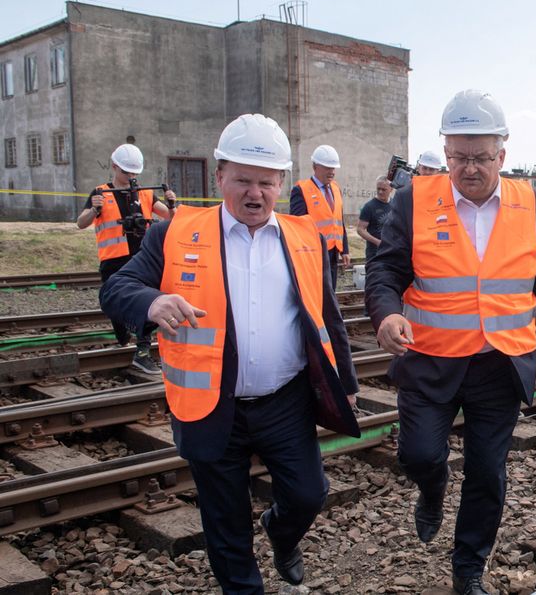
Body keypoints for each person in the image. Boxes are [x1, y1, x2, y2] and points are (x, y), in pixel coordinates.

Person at [100, 114, 360, 594]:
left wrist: (346, 383)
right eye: (242, 180)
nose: (254, 193)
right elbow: (117, 288)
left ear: (281, 183)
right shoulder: (173, 233)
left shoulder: (305, 238)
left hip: (284, 401)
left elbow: (326, 315)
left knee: (309, 494)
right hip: (210, 405)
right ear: (221, 176)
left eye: (265, 182)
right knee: (226, 522)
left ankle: (282, 533)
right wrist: (152, 302)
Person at [366, 89, 536, 595]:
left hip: (500, 363)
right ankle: (431, 492)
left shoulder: (532, 204)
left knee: (486, 472)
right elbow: (385, 270)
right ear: (446, 152)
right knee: (419, 455)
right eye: (458, 156)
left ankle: (468, 569)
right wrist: (388, 315)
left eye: (480, 157)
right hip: (430, 360)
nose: (469, 168)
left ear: (503, 154)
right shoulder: (414, 200)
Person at [76, 141, 177, 374]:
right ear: (114, 167)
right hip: (113, 260)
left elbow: (173, 219)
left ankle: (142, 352)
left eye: (134, 172)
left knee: (145, 302)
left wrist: (172, 204)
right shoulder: (101, 192)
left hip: (142, 258)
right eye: (126, 171)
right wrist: (94, 210)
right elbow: (81, 223)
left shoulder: (145, 193)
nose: (130, 176)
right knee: (116, 304)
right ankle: (122, 328)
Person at [290, 144, 351, 284]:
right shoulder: (301, 190)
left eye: (333, 168)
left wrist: (345, 250)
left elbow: (339, 221)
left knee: (330, 292)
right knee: (316, 293)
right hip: (313, 253)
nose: (331, 172)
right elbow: (297, 227)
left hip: (333, 252)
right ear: (315, 166)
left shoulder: (336, 189)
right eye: (327, 167)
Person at [357, 176, 393, 261]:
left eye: (384, 189)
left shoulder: (395, 204)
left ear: (391, 189)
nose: (380, 192)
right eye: (378, 189)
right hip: (374, 254)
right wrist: (377, 242)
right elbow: (360, 229)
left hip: (391, 253)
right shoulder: (369, 206)